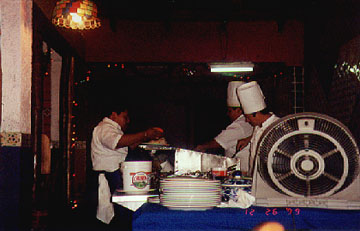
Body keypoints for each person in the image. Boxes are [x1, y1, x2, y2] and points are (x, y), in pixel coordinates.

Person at [91, 103, 164, 227]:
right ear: (113, 115)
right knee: (114, 219)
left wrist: (148, 138)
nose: (128, 121)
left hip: (115, 176)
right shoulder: (105, 128)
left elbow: (129, 144)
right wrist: (145, 134)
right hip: (108, 178)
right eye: (125, 117)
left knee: (121, 216)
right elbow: (118, 142)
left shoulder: (114, 130)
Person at [194, 81, 253, 172]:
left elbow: (218, 142)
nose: (228, 114)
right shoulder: (245, 122)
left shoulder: (239, 125)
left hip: (241, 169)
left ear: (239, 110)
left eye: (230, 111)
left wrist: (201, 147)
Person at [236, 81, 279, 176]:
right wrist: (248, 139)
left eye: (248, 117)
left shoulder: (278, 127)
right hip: (255, 179)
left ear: (255, 114)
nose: (247, 121)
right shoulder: (258, 126)